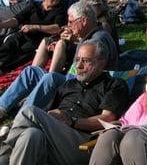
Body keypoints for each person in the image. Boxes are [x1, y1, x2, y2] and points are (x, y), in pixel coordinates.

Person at [0, 40, 129, 165]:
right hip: (55, 138)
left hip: (83, 143)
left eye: (85, 60)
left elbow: (107, 119)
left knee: (29, 111)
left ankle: (4, 151)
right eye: (77, 60)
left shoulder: (114, 85)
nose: (78, 66)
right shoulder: (69, 84)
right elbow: (52, 112)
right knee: (32, 135)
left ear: (102, 62)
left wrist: (72, 121)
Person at [0, 1, 119, 120]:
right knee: (31, 71)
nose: (68, 25)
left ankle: (23, 116)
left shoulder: (96, 41)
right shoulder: (91, 36)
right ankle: (2, 107)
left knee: (50, 78)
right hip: (73, 78)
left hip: (82, 87)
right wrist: (72, 43)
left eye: (71, 22)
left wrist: (67, 69)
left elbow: (85, 74)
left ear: (83, 21)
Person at [0, 0, 69, 74]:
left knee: (22, 54)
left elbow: (57, 28)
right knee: (10, 43)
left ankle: (3, 69)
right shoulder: (34, 6)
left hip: (39, 41)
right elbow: (17, 19)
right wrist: (2, 25)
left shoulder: (60, 10)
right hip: (24, 35)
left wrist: (35, 27)